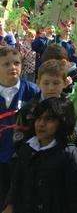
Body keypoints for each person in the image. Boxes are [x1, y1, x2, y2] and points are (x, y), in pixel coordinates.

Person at [3, 98, 77, 213]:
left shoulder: (68, 155)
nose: (41, 124)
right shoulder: (26, 148)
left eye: (49, 119)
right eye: (38, 118)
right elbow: (16, 183)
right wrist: (10, 205)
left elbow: (74, 196)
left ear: (62, 122)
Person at [0, 47, 40, 207]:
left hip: (24, 158)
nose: (12, 67)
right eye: (6, 64)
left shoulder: (32, 91)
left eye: (16, 63)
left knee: (20, 201)